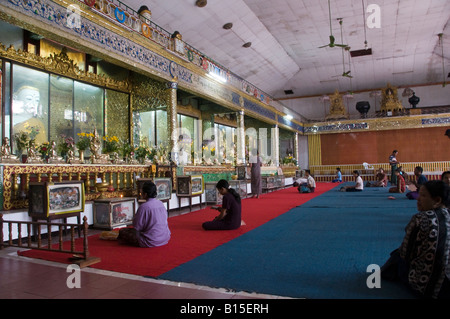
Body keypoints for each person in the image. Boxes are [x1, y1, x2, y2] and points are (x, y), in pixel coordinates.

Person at [381, 180, 450, 299]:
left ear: (437, 200)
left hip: (426, 287)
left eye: (423, 196)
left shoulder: (420, 218)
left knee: (396, 256)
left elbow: (405, 254)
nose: (418, 199)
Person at [118, 181, 171, 247]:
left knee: (123, 232)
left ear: (145, 194)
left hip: (150, 240)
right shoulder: (160, 203)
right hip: (165, 237)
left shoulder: (144, 207)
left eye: (141, 192)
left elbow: (137, 226)